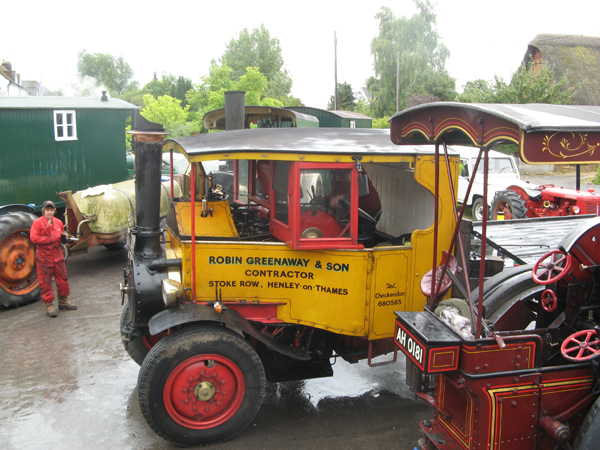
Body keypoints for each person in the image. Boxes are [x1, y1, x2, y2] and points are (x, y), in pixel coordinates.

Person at [30, 200, 77, 317]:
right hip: (44, 258)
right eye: (47, 210)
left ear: (54, 211)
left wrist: (66, 238)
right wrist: (50, 239)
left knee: (63, 279)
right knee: (45, 282)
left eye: (51, 210)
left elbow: (62, 235)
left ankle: (63, 302)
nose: (49, 212)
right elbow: (34, 238)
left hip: (57, 256)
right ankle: (49, 305)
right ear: (43, 211)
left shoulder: (58, 222)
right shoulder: (37, 223)